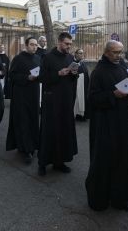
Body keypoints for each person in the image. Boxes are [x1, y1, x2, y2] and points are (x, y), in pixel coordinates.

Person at [86, 41, 128, 213]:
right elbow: (93, 98)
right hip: (106, 125)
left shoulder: (121, 66)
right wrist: (113, 95)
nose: (119, 56)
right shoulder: (98, 72)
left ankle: (121, 198)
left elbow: (127, 84)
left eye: (121, 52)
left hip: (123, 123)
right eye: (116, 52)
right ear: (107, 52)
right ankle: (100, 197)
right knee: (105, 160)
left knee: (123, 160)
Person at [37, 32, 78, 176]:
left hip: (66, 100)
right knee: (49, 131)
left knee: (63, 131)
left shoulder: (70, 58)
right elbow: (42, 78)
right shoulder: (47, 57)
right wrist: (58, 74)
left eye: (70, 44)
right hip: (52, 100)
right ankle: (42, 163)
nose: (69, 46)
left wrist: (74, 73)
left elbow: (73, 79)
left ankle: (59, 162)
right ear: (59, 42)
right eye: (66, 44)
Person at [5, 37, 41, 163]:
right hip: (21, 95)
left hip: (34, 94)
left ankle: (33, 145)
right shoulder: (18, 58)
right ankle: (25, 149)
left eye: (36, 45)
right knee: (24, 121)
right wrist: (27, 77)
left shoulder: (38, 58)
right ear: (26, 45)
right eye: (32, 44)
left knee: (33, 120)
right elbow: (12, 75)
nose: (34, 47)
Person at [73, 48, 90, 121]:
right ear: (76, 54)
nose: (82, 55)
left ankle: (83, 115)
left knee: (83, 100)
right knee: (77, 100)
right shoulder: (73, 63)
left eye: (82, 53)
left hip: (84, 85)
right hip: (77, 84)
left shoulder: (83, 63)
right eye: (80, 53)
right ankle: (77, 115)